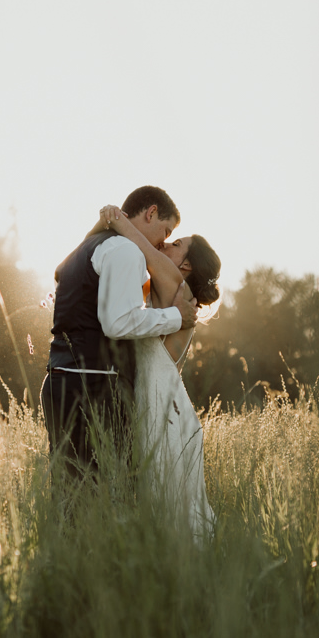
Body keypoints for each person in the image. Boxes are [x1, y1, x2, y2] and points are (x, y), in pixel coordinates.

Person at [41, 186, 198, 481]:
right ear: (151, 213)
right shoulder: (126, 251)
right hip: (94, 387)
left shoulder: (89, 247)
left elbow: (59, 271)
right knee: (101, 493)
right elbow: (118, 324)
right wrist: (176, 316)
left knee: (68, 492)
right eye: (165, 231)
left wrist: (105, 224)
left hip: (58, 381)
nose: (162, 243)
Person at [96, 204, 221, 542]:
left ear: (186, 264)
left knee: (166, 501)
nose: (166, 244)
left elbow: (142, 244)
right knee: (167, 501)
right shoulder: (175, 291)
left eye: (175, 242)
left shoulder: (173, 280)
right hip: (164, 402)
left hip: (163, 410)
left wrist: (114, 216)